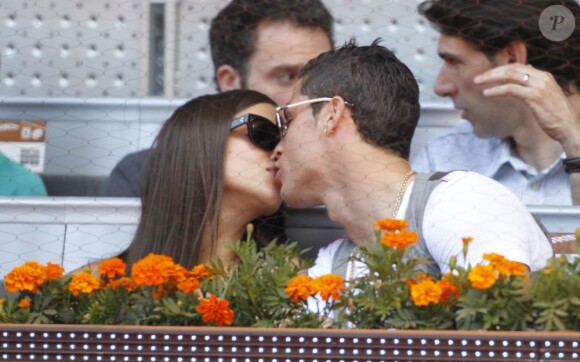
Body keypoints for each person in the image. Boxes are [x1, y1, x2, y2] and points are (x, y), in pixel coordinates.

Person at [272, 39, 553, 282]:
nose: (276, 147)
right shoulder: (331, 265)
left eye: (287, 119)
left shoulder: (460, 199)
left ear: (331, 114)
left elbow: (495, 338)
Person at [103, 0, 333, 197]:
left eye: (321, 74)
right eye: (286, 76)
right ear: (230, 81)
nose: (312, 95)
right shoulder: (150, 174)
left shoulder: (344, 169)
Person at [411, 0, 580, 205]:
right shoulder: (444, 160)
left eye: (454, 61)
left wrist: (575, 146)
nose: (441, 88)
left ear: (511, 59)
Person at [126, 90, 282, 267]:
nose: (281, 150)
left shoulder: (293, 282)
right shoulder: (100, 283)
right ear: (204, 138)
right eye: (264, 133)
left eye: (286, 141)